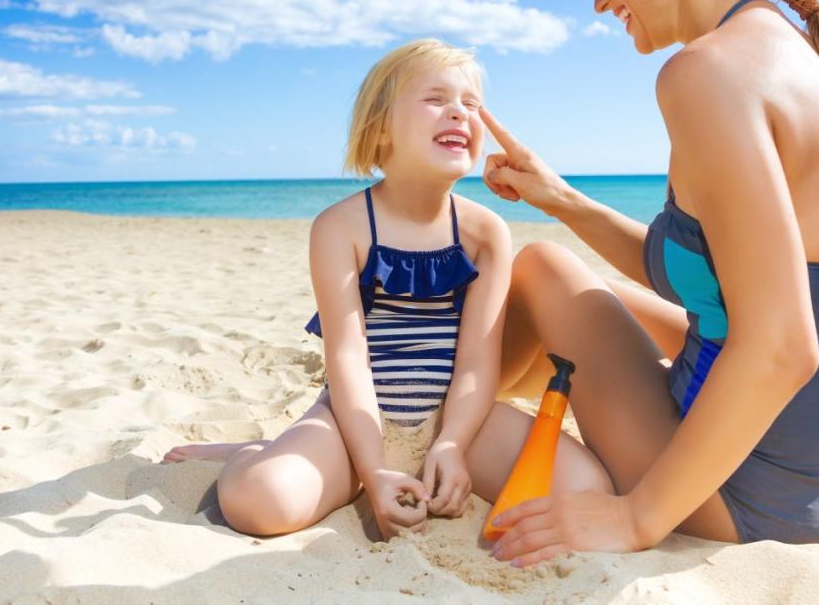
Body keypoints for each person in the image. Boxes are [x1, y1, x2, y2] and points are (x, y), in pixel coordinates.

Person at [482, 0, 819, 567]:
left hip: (753, 491)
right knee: (554, 272)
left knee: (536, 274)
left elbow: (781, 347)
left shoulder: (706, 75)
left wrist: (636, 519)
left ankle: (427, 423)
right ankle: (445, 412)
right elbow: (721, 286)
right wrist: (558, 197)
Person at [161, 39, 611, 540]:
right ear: (380, 128)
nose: (459, 113)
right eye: (436, 98)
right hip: (355, 424)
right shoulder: (341, 227)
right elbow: (347, 360)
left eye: (471, 103)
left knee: (587, 486)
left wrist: (452, 445)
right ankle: (252, 452)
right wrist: (372, 469)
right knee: (261, 503)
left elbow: (477, 365)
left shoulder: (486, 233)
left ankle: (354, 452)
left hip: (455, 421)